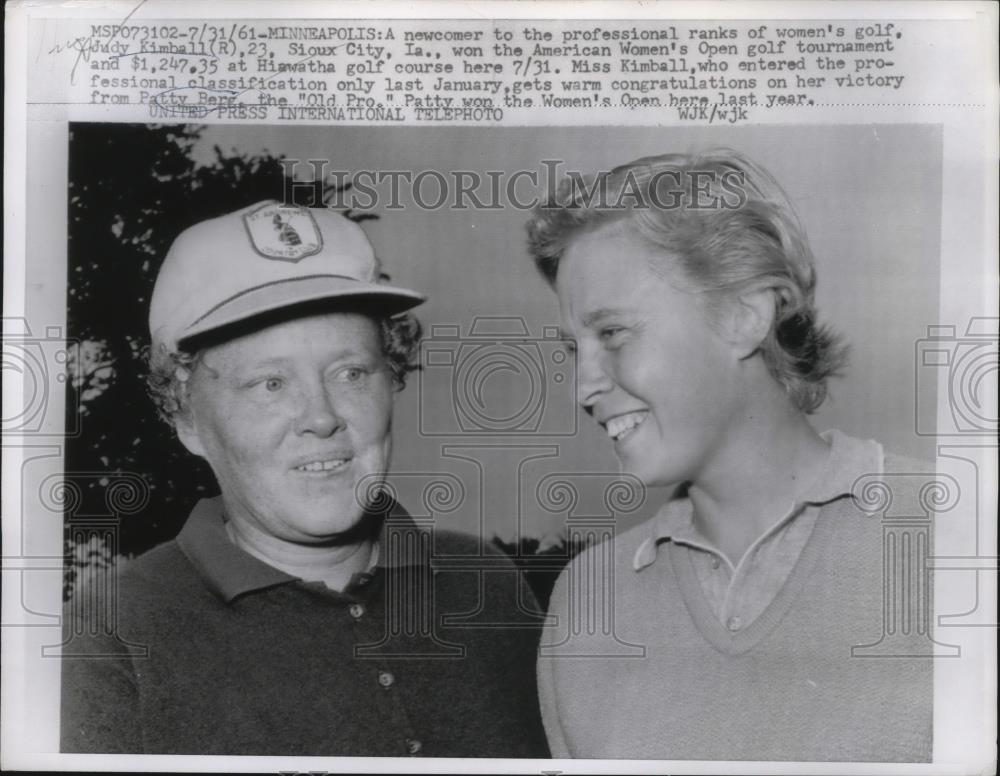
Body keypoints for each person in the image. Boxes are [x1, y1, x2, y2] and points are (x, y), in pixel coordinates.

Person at [60, 200, 550, 758]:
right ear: (187, 419)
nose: (321, 416)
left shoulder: (484, 583)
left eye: (351, 373)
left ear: (392, 378)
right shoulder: (114, 633)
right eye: (270, 383)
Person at [527, 150, 933, 762]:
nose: (583, 387)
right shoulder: (586, 604)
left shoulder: (956, 541)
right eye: (573, 348)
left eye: (612, 333)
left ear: (745, 314)